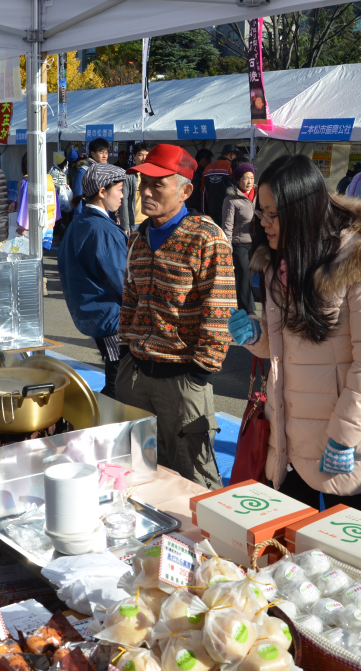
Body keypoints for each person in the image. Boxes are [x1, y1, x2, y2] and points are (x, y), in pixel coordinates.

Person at [227, 155, 361, 512]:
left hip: (345, 441)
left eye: (273, 214)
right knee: (289, 543)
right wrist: (255, 335)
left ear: (302, 211)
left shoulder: (360, 261)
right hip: (289, 438)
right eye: (261, 212)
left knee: (341, 546)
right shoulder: (279, 260)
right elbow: (282, 346)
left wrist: (343, 438)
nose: (264, 223)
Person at [116, 144, 235, 489]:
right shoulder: (138, 238)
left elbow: (220, 310)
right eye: (143, 184)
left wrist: (199, 372)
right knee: (138, 471)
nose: (146, 192)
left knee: (195, 480)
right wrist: (126, 350)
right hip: (136, 375)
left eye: (158, 185)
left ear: (184, 191)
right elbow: (130, 299)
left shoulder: (206, 238)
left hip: (183, 381)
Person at [58, 163, 129, 399]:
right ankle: (99, 417)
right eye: (119, 190)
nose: (122, 196)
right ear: (102, 192)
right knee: (118, 385)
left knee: (117, 381)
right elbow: (123, 279)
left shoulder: (80, 223)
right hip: (111, 318)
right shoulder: (101, 229)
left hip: (94, 313)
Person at [221, 162, 256, 312]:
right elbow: (227, 225)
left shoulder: (259, 195)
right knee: (244, 274)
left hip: (256, 243)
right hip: (239, 244)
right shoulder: (231, 200)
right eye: (246, 178)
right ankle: (249, 309)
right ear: (238, 180)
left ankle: (240, 304)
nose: (249, 181)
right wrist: (227, 246)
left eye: (252, 178)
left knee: (249, 276)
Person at [117, 142, 149, 234]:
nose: (144, 158)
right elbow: (124, 201)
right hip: (135, 222)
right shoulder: (129, 175)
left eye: (147, 155)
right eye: (140, 155)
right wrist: (125, 225)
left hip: (149, 220)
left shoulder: (152, 175)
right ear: (134, 156)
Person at [201, 144, 236, 225]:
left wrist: (204, 212)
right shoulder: (231, 167)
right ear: (231, 155)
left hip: (210, 211)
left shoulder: (208, 168)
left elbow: (202, 192)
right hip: (227, 210)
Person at [73, 137, 111, 210]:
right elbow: (78, 197)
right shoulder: (83, 171)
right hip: (89, 212)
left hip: (105, 212)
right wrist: (78, 215)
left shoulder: (108, 170)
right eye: (101, 152)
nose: (105, 156)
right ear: (93, 154)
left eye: (106, 152)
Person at [191, 148, 214, 212]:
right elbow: (196, 193)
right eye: (209, 162)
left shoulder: (192, 170)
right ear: (204, 161)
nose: (209, 164)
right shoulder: (196, 174)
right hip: (195, 208)